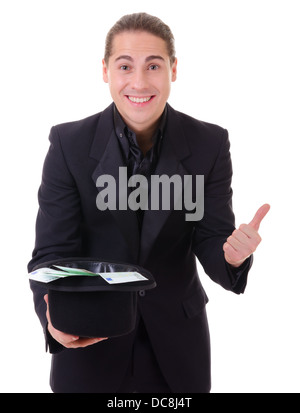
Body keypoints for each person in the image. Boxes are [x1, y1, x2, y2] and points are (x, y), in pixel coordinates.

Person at [28, 12, 270, 393]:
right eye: (125, 65)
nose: (139, 81)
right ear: (105, 71)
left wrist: (233, 257)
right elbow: (52, 254)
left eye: (153, 65)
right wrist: (52, 318)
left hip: (177, 347)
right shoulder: (68, 144)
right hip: (91, 340)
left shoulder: (209, 144)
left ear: (173, 69)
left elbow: (211, 239)